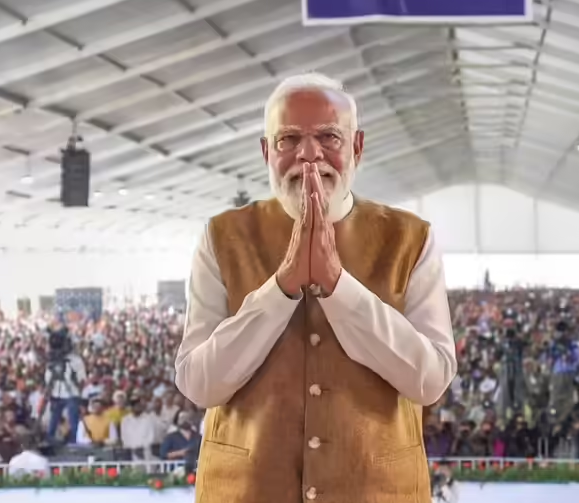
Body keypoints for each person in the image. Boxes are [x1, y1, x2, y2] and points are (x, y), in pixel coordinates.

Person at [175, 73, 457, 503]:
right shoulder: (222, 237)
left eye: (329, 137)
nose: (309, 155)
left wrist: (338, 287)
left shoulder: (411, 238)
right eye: (289, 139)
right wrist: (281, 288)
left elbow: (431, 379)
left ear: (357, 147)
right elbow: (199, 383)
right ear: (267, 152)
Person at [43, 328, 86, 444]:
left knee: (73, 420)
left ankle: (74, 442)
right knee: (53, 420)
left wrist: (77, 390)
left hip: (71, 393)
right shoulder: (51, 361)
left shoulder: (75, 360)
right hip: (56, 393)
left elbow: (82, 380)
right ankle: (50, 440)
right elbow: (48, 379)